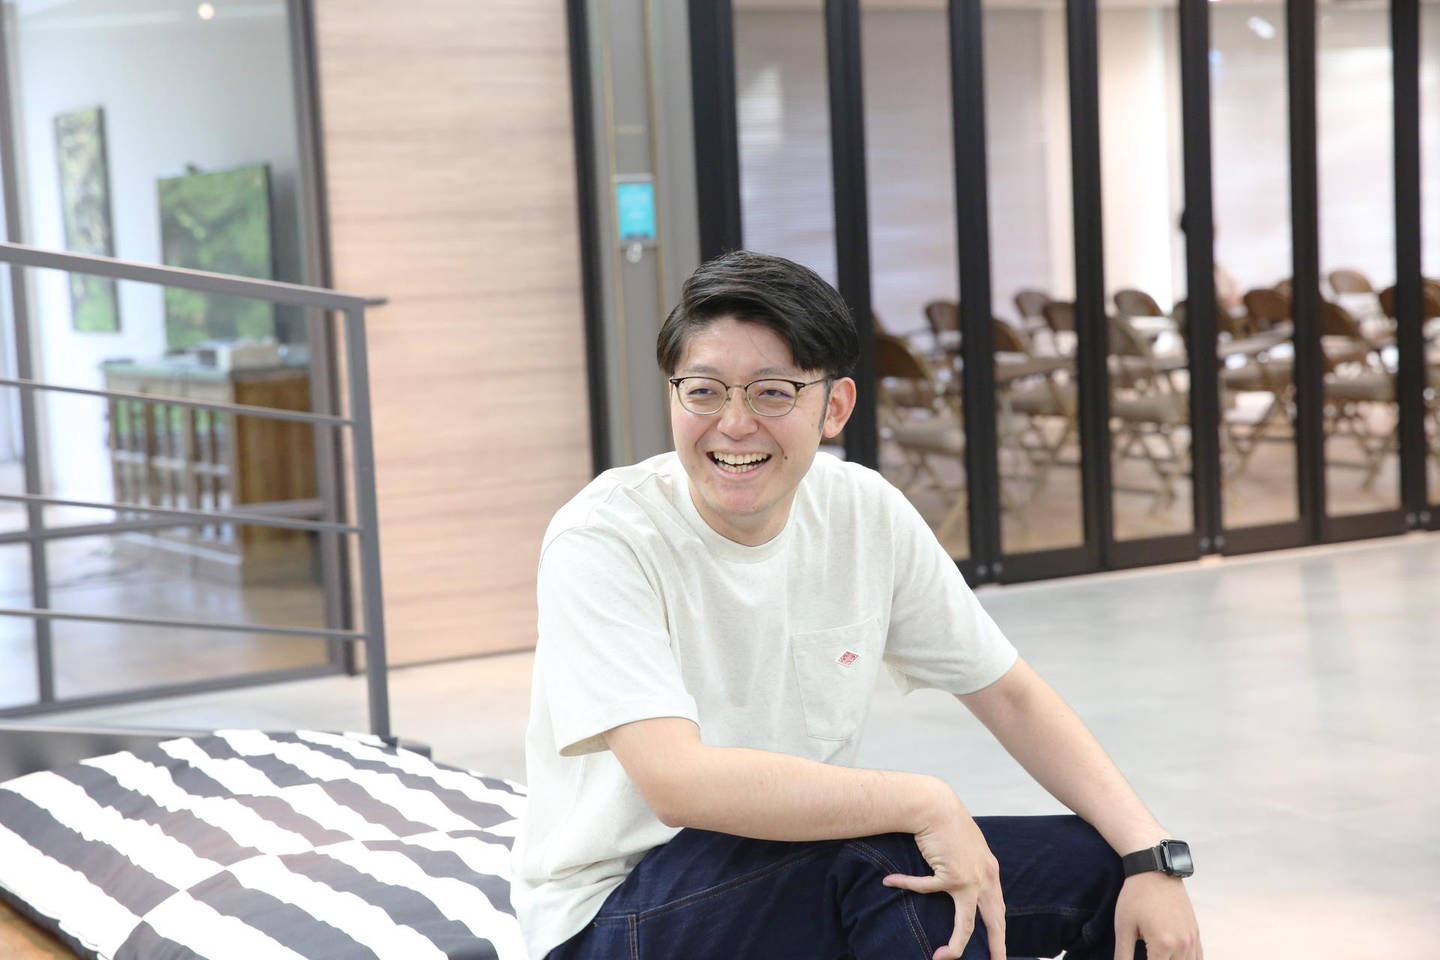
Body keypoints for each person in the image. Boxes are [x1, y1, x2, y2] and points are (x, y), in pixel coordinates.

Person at [511, 251, 1202, 960]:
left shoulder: (863, 511)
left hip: (787, 868)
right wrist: (923, 800)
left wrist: (1149, 853)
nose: (734, 423)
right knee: (895, 873)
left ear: (834, 407)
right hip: (611, 914)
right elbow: (675, 782)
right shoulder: (603, 538)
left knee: (1105, 872)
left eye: (773, 393)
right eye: (705, 391)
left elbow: (1011, 695)